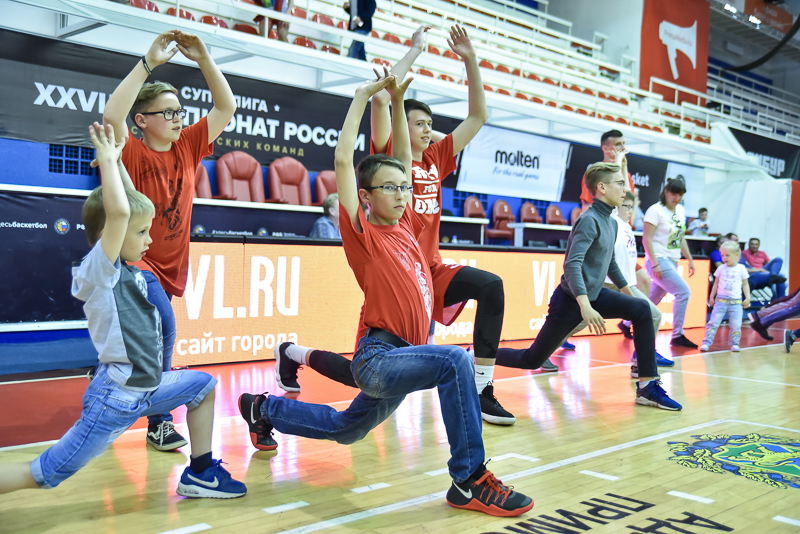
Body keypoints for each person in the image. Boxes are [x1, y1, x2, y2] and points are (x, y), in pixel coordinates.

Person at [238, 73, 534, 517]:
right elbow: (343, 159)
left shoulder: (407, 223)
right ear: (365, 197)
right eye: (390, 188)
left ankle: (262, 409)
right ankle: (470, 479)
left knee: (346, 429)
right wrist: (362, 97)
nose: (401, 194)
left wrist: (397, 100)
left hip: (406, 355)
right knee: (455, 360)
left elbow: (401, 158)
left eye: (404, 187)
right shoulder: (364, 233)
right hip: (378, 357)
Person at [275, 26, 517, 425]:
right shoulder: (386, 162)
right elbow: (382, 98)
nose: (426, 129)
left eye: (429, 123)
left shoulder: (436, 158)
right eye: (418, 122)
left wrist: (471, 59)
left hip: (428, 269)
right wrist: (413, 53)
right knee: (363, 377)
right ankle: (293, 353)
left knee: (490, 286)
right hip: (391, 271)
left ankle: (483, 387)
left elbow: (478, 117)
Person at [0, 123, 245, 499]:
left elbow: (130, 205)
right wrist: (109, 162)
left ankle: (200, 473)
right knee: (44, 473)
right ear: (110, 236)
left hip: (146, 391)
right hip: (113, 401)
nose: (150, 239)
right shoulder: (99, 269)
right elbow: (118, 214)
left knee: (203, 387)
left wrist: (119, 168)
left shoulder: (128, 269)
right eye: (142, 232)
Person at [103, 30, 237, 451]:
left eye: (180, 111)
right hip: (134, 261)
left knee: (146, 337)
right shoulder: (131, 152)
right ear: (142, 121)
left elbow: (226, 107)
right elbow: (112, 116)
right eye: (167, 112)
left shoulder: (189, 146)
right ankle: (158, 421)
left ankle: (108, 379)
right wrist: (148, 62)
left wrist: (204, 59)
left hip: (171, 265)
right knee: (163, 329)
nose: (178, 118)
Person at [494, 163, 682, 411]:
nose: (625, 189)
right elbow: (572, 264)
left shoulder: (611, 223)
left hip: (595, 295)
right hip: (570, 301)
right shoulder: (588, 220)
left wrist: (631, 295)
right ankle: (477, 353)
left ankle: (647, 386)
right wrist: (584, 305)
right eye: (620, 183)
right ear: (602, 187)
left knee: (642, 310)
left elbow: (610, 263)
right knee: (531, 359)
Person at [604, 193, 673, 373]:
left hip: (625, 285)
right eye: (626, 206)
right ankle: (547, 349)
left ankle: (640, 361)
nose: (630, 211)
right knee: (577, 321)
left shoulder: (627, 226)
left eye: (631, 207)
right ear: (615, 206)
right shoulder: (612, 223)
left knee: (654, 315)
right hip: (608, 285)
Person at [642, 177, 698, 348]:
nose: (677, 198)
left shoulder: (680, 210)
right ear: (666, 192)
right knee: (683, 292)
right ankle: (677, 335)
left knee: (653, 298)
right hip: (659, 259)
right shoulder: (655, 210)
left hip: (672, 260)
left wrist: (689, 258)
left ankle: (626, 323)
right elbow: (646, 239)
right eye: (674, 194)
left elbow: (680, 237)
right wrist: (655, 263)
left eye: (680, 195)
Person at [700, 241, 750, 352]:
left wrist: (748, 297)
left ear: (736, 255)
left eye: (727, 255)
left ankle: (734, 343)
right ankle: (706, 342)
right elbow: (716, 284)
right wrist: (711, 297)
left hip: (736, 303)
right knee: (713, 322)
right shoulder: (721, 268)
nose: (724, 258)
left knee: (736, 324)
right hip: (720, 301)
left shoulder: (741, 268)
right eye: (722, 255)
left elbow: (745, 284)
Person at [579, 130, 636, 213]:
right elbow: (587, 206)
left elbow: (629, 203)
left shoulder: (627, 175)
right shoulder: (596, 173)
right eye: (618, 144)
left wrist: (623, 166)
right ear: (605, 148)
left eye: (623, 143)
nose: (623, 148)